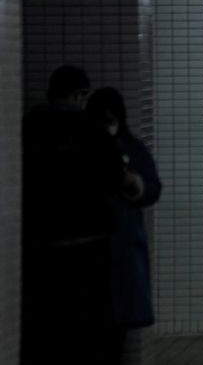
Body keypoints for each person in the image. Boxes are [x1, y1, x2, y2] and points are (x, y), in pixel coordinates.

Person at [21, 66, 128, 365]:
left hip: (38, 244)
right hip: (88, 243)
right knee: (89, 326)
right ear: (81, 95)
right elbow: (113, 178)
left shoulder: (25, 127)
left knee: (46, 326)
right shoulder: (90, 128)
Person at [85, 87, 162, 364]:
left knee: (114, 323)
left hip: (118, 243)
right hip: (106, 244)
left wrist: (136, 187)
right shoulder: (85, 148)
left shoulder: (132, 149)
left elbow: (152, 188)